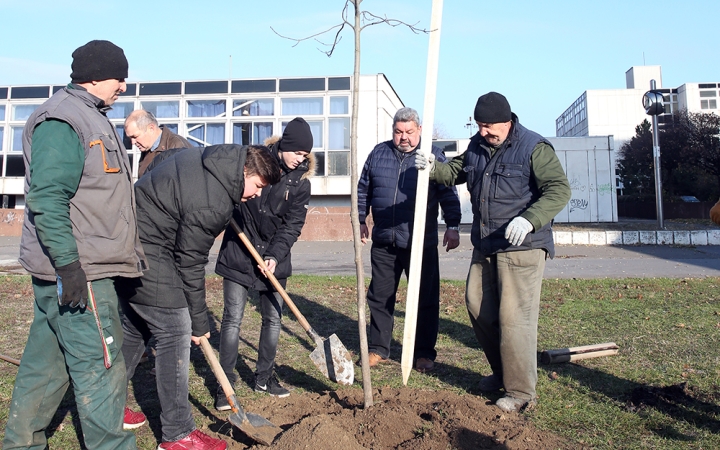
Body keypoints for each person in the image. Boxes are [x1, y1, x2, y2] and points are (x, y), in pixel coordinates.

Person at [5, 40, 147, 449]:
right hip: (79, 272)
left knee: (45, 367)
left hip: (75, 269)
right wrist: (69, 266)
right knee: (101, 367)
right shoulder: (64, 120)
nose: (123, 85)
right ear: (98, 76)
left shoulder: (88, 116)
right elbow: (48, 197)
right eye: (120, 77)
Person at [119, 144, 281, 450]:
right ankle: (178, 435)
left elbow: (164, 160)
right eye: (257, 186)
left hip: (128, 236)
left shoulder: (212, 156)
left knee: (136, 326)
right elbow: (190, 260)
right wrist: (198, 319)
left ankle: (106, 408)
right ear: (244, 172)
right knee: (175, 330)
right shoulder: (214, 202)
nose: (258, 194)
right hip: (148, 248)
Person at [417, 92, 571, 412]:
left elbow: (558, 190)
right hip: (486, 245)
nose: (484, 131)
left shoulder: (533, 147)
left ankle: (520, 392)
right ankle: (503, 372)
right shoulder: (477, 146)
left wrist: (530, 220)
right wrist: (432, 165)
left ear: (507, 121)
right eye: (480, 125)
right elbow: (452, 173)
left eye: (489, 126)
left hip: (523, 247)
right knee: (477, 306)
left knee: (514, 320)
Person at [214, 117, 314, 407]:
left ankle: (264, 377)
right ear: (284, 145)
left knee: (273, 319)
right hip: (239, 251)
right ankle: (225, 385)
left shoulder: (301, 183)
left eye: (305, 155)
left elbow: (292, 225)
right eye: (297, 152)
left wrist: (273, 256)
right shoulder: (253, 160)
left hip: (274, 257)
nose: (300, 159)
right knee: (232, 320)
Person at [357, 107, 461, 373]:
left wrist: (453, 225)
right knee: (379, 297)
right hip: (384, 241)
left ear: (420, 131)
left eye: (409, 132)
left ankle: (423, 353)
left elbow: (448, 192)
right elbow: (363, 189)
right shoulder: (378, 153)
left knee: (424, 299)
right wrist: (359, 219)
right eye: (398, 132)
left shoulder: (432, 156)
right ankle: (379, 349)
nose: (403, 137)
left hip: (420, 242)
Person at [124, 109, 191, 178]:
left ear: (151, 128)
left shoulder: (177, 146)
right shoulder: (147, 148)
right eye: (130, 138)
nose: (133, 142)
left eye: (135, 136)